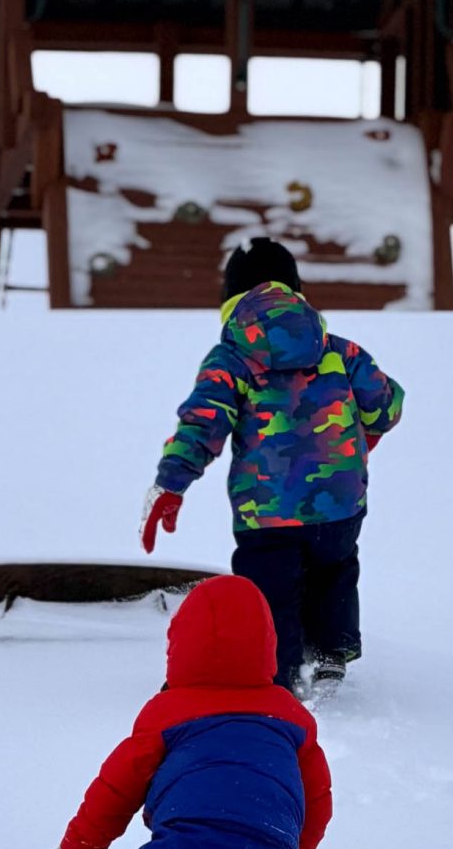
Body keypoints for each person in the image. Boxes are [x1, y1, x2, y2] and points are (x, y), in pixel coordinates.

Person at [16, 574, 332, 849]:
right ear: (267, 644)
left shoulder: (166, 713)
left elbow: (114, 793)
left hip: (189, 843)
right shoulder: (292, 716)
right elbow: (317, 801)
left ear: (180, 647)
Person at [140, 238, 404, 695]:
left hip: (266, 510)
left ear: (230, 298)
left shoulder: (231, 358)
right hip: (340, 501)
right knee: (334, 569)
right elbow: (387, 404)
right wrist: (366, 432)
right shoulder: (339, 350)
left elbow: (204, 424)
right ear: (296, 289)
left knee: (271, 589)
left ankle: (278, 677)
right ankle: (330, 655)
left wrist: (171, 483)